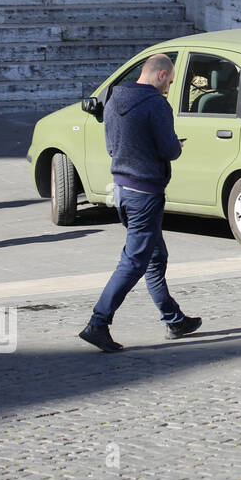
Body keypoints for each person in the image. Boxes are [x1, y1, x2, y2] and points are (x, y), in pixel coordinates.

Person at [78, 54, 201, 352]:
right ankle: (98, 322)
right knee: (133, 261)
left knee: (155, 257)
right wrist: (177, 146)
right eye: (170, 82)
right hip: (145, 194)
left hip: (120, 189)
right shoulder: (157, 104)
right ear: (160, 75)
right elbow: (169, 150)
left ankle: (174, 320)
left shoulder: (114, 99)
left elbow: (111, 146)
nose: (169, 88)